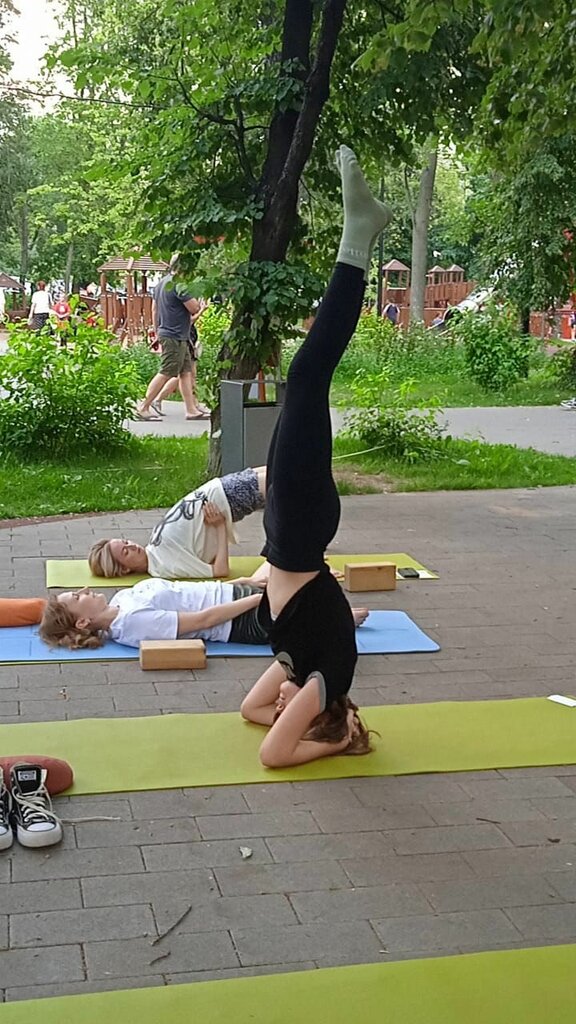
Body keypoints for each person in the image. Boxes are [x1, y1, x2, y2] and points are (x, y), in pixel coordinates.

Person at [239, 145, 391, 767]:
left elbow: (249, 713)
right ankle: (359, 237)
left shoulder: (304, 669)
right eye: (293, 710)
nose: (278, 705)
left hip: (288, 527)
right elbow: (273, 753)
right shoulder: (329, 674)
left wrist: (284, 700)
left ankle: (361, 231)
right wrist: (332, 742)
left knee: (301, 382)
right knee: (307, 377)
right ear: (321, 716)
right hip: (300, 528)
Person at [38, 577, 369, 650]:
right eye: (76, 597)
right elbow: (202, 621)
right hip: (241, 620)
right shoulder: (131, 624)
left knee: (301, 577)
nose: (84, 591)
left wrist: (244, 583)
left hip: (233, 594)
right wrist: (256, 600)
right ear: (82, 621)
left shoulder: (124, 598)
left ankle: (331, 617)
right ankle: (337, 623)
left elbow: (188, 590)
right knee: (308, 600)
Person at [88, 467, 267, 579]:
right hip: (227, 496)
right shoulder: (164, 565)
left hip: (222, 491)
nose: (133, 546)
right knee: (288, 472)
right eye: (126, 552)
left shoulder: (155, 551)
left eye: (126, 542)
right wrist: (220, 526)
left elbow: (209, 560)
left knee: (287, 468)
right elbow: (219, 570)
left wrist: (219, 526)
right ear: (125, 570)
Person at [135, 255, 208, 421]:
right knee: (167, 371)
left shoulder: (162, 283)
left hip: (173, 334)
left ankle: (191, 410)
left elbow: (154, 310)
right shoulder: (180, 285)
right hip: (175, 336)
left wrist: (157, 331)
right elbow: (194, 308)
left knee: (186, 372)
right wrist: (200, 303)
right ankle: (143, 406)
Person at [152, 313, 210, 417]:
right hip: (181, 336)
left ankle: (193, 406)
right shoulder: (181, 299)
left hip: (184, 336)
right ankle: (154, 401)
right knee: (177, 373)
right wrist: (201, 310)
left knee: (187, 373)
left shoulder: (165, 300)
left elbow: (155, 310)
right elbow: (189, 321)